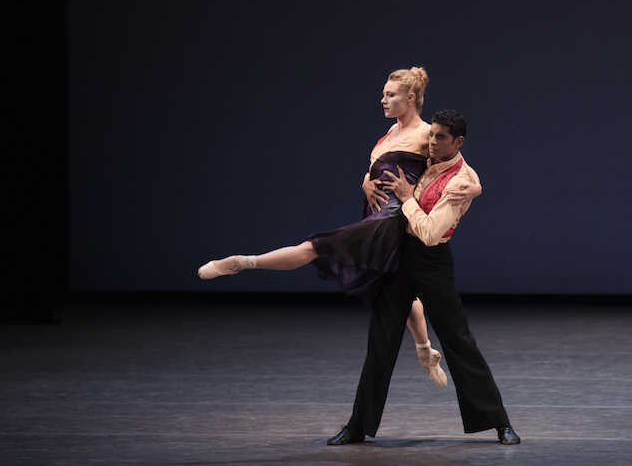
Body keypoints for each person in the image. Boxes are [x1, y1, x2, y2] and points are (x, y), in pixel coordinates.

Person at [198, 68, 482, 388]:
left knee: (316, 247)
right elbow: (376, 168)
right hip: (375, 214)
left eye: (390, 95)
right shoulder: (390, 132)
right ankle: (425, 350)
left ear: (411, 98)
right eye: (384, 94)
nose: (383, 100)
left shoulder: (426, 132)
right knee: (392, 285)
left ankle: (241, 263)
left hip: (390, 221)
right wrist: (365, 182)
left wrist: (476, 188)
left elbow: (461, 165)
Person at [326, 110, 520, 446]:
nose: (432, 141)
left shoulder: (460, 182)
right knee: (380, 344)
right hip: (397, 257)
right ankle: (357, 426)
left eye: (441, 137)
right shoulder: (424, 159)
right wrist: (365, 181)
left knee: (458, 341)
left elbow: (430, 234)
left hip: (431, 262)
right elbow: (381, 160)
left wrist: (407, 198)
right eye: (432, 134)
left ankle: (499, 422)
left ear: (458, 142)